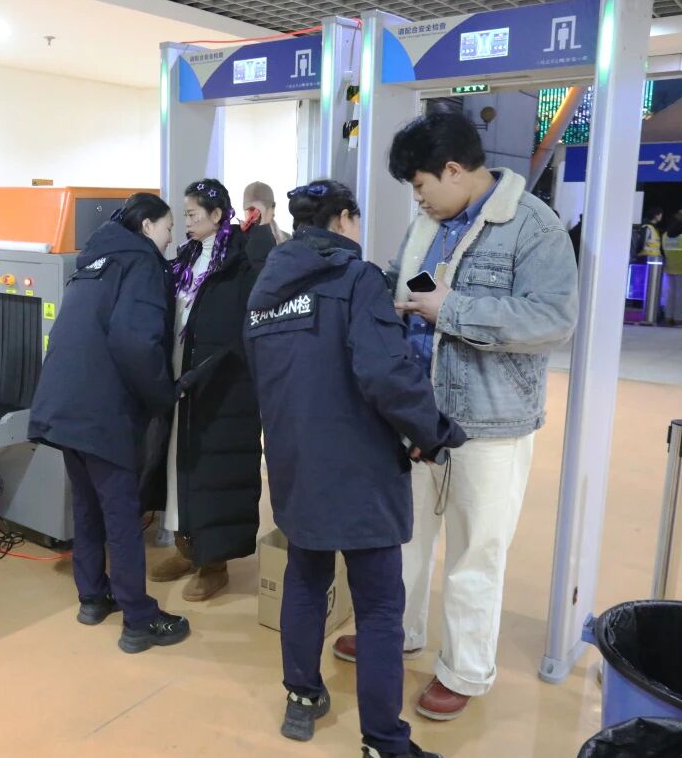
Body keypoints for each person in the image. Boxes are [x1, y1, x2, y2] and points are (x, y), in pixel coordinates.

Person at [333, 112, 579, 720]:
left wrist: (451, 308)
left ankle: (464, 670)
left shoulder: (532, 226)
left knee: (476, 551)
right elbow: (413, 282)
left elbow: (553, 320)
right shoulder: (429, 224)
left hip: (489, 423)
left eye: (420, 185)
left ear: (453, 170)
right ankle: (398, 631)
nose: (417, 199)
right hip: (418, 413)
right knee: (406, 537)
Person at [245, 179, 464, 757]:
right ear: (344, 219)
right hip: (361, 470)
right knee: (380, 607)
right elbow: (386, 374)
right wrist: (435, 432)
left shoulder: (264, 292)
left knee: (305, 580)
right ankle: (385, 742)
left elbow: (272, 370)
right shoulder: (357, 279)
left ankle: (301, 697)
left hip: (294, 463)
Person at [28, 193, 190, 653]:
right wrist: (163, 395)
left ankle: (92, 597)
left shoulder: (93, 262)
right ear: (147, 227)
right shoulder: (142, 264)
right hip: (102, 411)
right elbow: (135, 342)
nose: (171, 237)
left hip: (63, 402)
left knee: (86, 503)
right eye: (168, 227)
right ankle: (138, 619)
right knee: (121, 514)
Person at [147, 179, 262, 602]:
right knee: (178, 469)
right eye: (185, 215)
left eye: (193, 215)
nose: (187, 223)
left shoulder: (239, 266)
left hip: (219, 388)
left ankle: (214, 563)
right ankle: (186, 548)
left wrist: (203, 372)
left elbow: (239, 334)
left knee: (214, 474)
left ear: (217, 215)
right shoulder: (186, 258)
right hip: (180, 381)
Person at [241, 180, 291, 272]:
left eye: (260, 209)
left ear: (273, 208)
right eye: (251, 209)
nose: (256, 215)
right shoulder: (235, 242)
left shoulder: (288, 242)